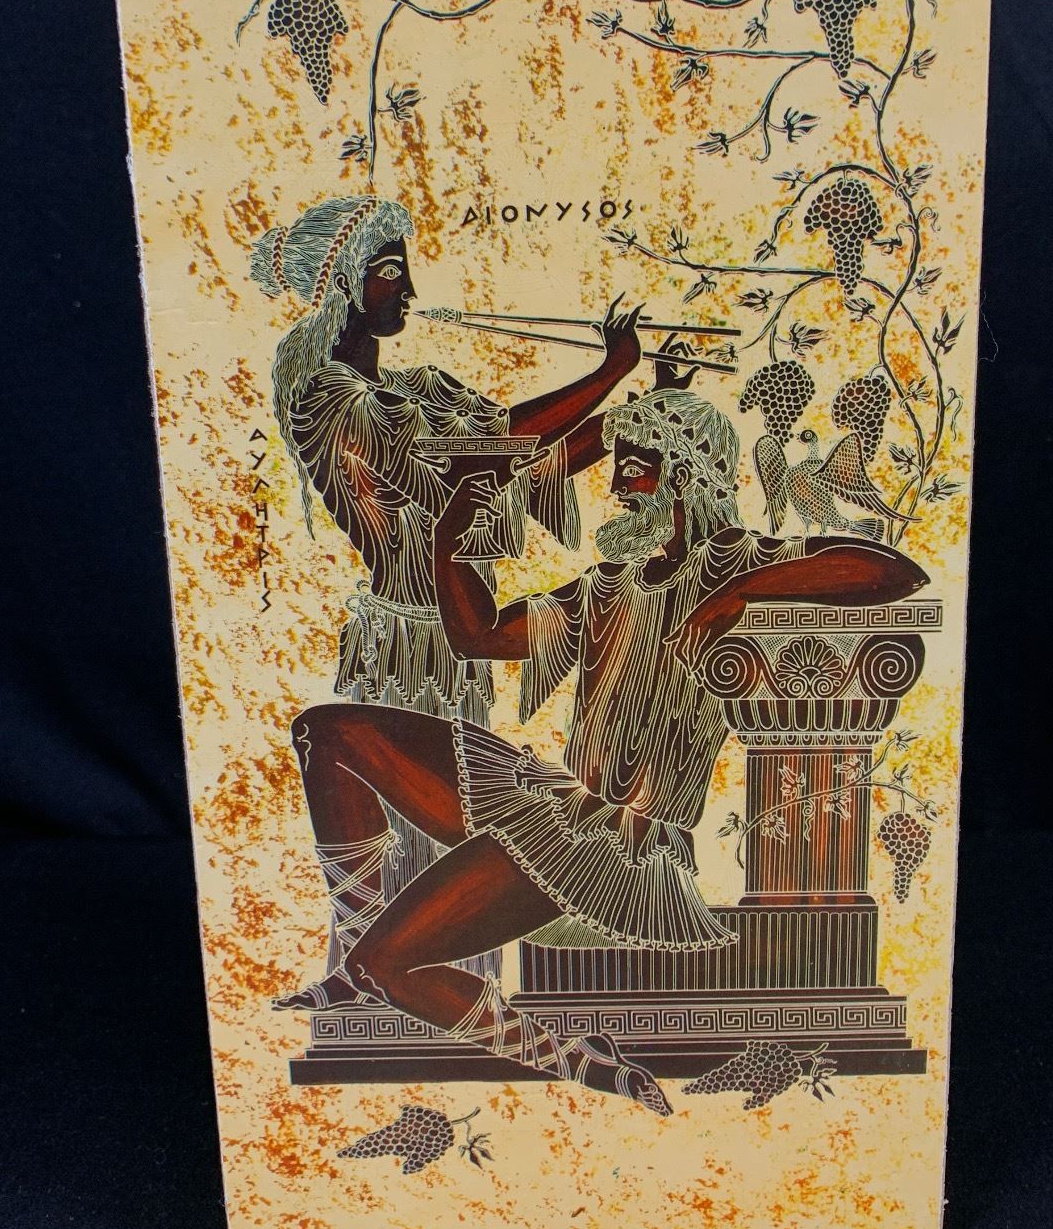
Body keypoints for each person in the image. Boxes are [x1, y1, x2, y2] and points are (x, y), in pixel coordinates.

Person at [285, 386, 928, 1112]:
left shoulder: (738, 562)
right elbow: (479, 636)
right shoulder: (609, 585)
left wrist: (744, 592)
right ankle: (356, 933)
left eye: (635, 466)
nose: (618, 485)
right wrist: (448, 540)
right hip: (549, 803)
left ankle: (581, 1062)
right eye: (618, 466)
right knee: (328, 733)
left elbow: (895, 572)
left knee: (387, 968)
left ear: (685, 471)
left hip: (615, 848)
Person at [250, 193, 649, 1003]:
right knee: (403, 825)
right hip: (402, 644)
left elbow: (526, 464)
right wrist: (609, 374)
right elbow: (492, 452)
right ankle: (371, 990)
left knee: (457, 842)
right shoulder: (331, 402)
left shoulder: (419, 388)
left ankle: (438, 1001)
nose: (408, 289)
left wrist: (630, 421)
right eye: (388, 272)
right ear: (343, 284)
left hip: (461, 638)